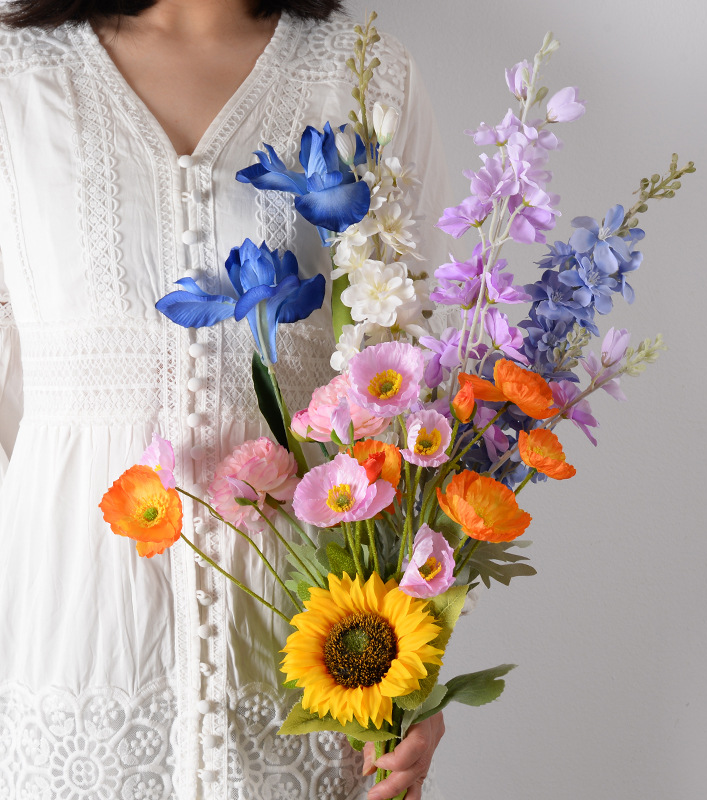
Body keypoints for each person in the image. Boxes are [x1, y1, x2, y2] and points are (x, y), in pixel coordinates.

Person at [0, 1, 449, 798]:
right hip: (70, 653)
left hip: (307, 668)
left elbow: (412, 396)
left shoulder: (364, 74)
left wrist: (417, 663)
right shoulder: (16, 79)